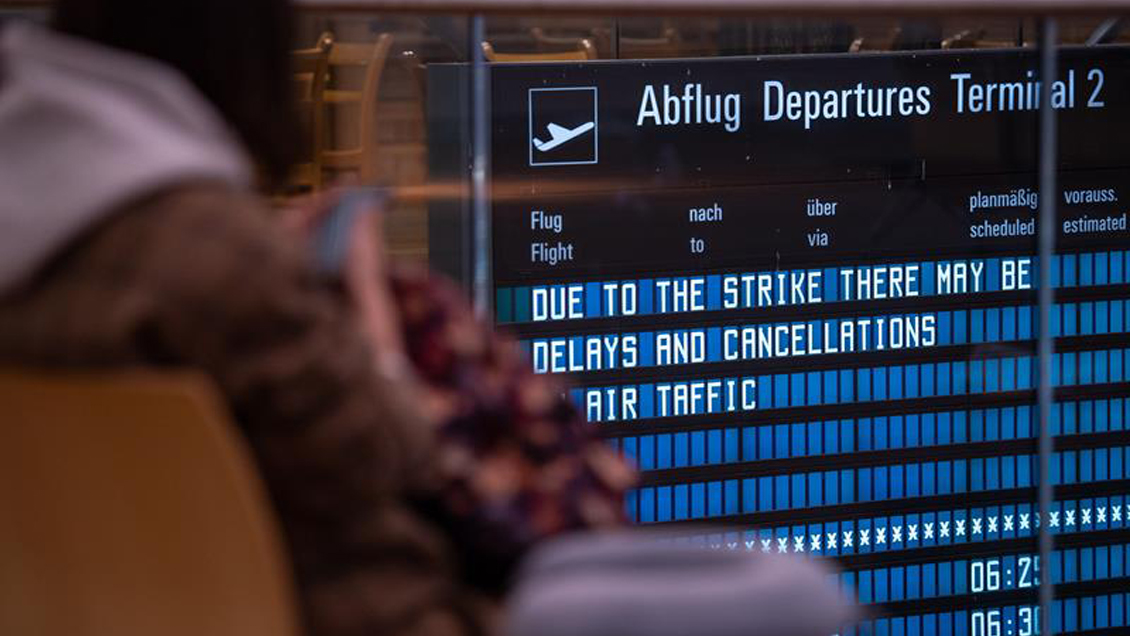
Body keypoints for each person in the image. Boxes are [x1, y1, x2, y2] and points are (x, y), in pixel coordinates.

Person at [0, 1, 630, 635]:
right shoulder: (226, 260)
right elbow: (398, 460)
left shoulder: (50, 243)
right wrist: (376, 331)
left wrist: (269, 259)